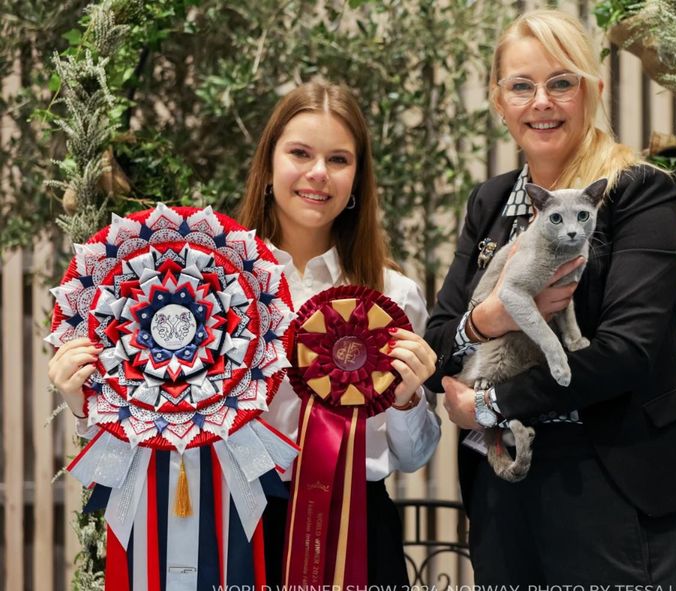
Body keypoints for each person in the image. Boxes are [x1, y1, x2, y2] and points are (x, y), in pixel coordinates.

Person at [50, 81, 441, 586]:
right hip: (233, 532)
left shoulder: (393, 295)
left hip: (354, 536)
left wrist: (409, 400)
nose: (318, 173)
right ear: (269, 164)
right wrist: (84, 398)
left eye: (339, 159)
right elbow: (155, 417)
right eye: (300, 153)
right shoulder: (207, 283)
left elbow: (413, 456)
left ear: (358, 179)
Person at [425, 9, 676, 587]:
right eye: (521, 86)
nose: (541, 101)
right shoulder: (489, 203)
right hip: (507, 485)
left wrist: (492, 406)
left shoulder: (638, 192)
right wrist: (487, 320)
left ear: (593, 89)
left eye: (561, 82)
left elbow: (628, 350)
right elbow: (437, 348)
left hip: (613, 479)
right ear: (499, 100)